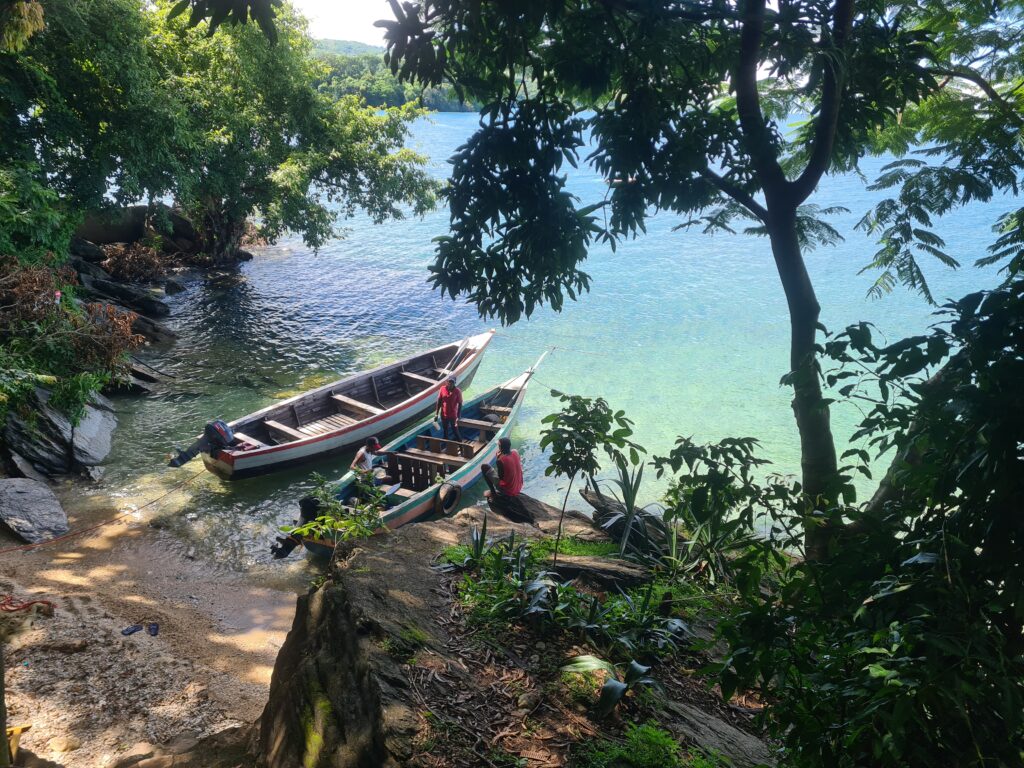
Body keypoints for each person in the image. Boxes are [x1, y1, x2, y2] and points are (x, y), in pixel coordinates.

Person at [435, 377, 463, 441]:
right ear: (447, 382)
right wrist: (436, 414)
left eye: (452, 382)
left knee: (455, 431)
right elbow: (439, 402)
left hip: (453, 415)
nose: (450, 384)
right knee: (445, 431)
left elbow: (460, 404)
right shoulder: (442, 389)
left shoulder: (457, 391)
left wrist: (458, 416)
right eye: (449, 382)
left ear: (455, 383)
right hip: (444, 415)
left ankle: (461, 447)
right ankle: (447, 446)